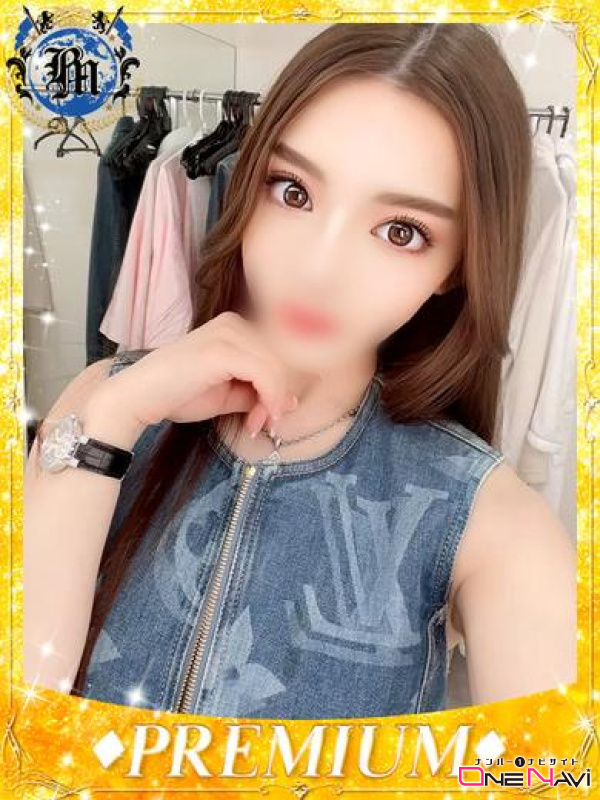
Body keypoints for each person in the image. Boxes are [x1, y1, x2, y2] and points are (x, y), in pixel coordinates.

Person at [25, 23, 575, 719]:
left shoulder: (492, 521)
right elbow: (23, 722)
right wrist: (113, 418)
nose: (319, 268)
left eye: (401, 231)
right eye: (293, 190)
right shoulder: (105, 402)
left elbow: (544, 768)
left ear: (456, 266)